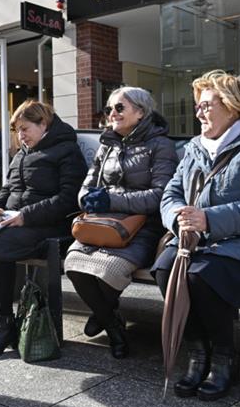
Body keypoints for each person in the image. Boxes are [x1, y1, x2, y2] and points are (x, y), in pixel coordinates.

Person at [154, 70, 240, 401]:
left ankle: (224, 356)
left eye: (205, 105)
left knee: (203, 275)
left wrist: (208, 219)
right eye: (198, 106)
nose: (198, 113)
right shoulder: (194, 147)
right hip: (200, 238)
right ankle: (197, 350)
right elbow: (170, 194)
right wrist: (178, 218)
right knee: (164, 268)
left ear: (232, 106)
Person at [0, 100, 87, 360]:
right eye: (17, 130)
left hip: (50, 225)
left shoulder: (66, 151)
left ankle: (4, 323)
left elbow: (69, 199)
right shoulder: (22, 154)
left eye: (25, 128)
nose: (20, 136)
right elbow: (8, 192)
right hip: (16, 221)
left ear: (44, 124)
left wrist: (25, 216)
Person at [65, 87, 178, 359]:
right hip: (101, 222)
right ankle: (112, 322)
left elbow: (160, 196)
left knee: (110, 270)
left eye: (119, 108)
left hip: (142, 226)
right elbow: (87, 185)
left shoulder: (161, 145)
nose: (112, 114)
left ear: (140, 112)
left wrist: (110, 199)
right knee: (73, 264)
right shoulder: (107, 144)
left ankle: (103, 315)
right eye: (109, 109)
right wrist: (86, 199)